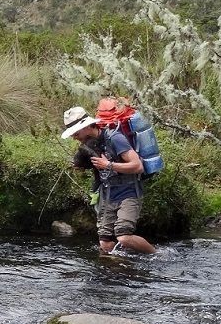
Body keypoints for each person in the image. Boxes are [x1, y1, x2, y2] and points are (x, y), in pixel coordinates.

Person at [60, 106, 156, 255]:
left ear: (87, 126)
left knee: (124, 237)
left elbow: (137, 166)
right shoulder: (88, 145)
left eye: (76, 133)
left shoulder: (115, 138)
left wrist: (108, 165)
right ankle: (116, 269)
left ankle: (157, 255)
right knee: (105, 243)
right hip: (107, 194)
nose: (74, 137)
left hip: (129, 192)